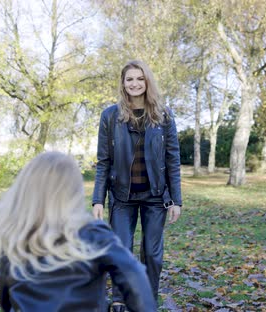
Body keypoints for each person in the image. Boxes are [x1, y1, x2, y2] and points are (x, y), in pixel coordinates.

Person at [0, 151, 156, 312]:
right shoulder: (92, 234)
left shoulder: (17, 239)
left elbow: (5, 299)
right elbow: (133, 275)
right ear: (73, 193)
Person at [92, 60, 182, 311]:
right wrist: (98, 198)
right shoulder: (110, 116)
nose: (134, 84)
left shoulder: (164, 115)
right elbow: (103, 161)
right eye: (129, 79)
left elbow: (172, 159)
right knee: (121, 249)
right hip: (122, 196)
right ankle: (120, 299)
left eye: (139, 79)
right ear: (123, 83)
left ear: (147, 81)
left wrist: (176, 200)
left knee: (152, 253)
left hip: (155, 196)